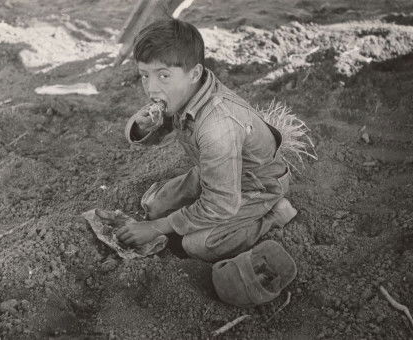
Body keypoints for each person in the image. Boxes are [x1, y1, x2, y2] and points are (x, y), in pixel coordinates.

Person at [116, 18, 297, 263]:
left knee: (199, 245)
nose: (151, 89)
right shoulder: (186, 92)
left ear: (195, 74)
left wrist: (158, 228)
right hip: (214, 172)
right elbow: (162, 129)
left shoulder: (217, 126)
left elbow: (221, 204)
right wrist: (140, 127)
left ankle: (274, 215)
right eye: (145, 75)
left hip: (257, 184)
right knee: (152, 204)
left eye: (164, 76)